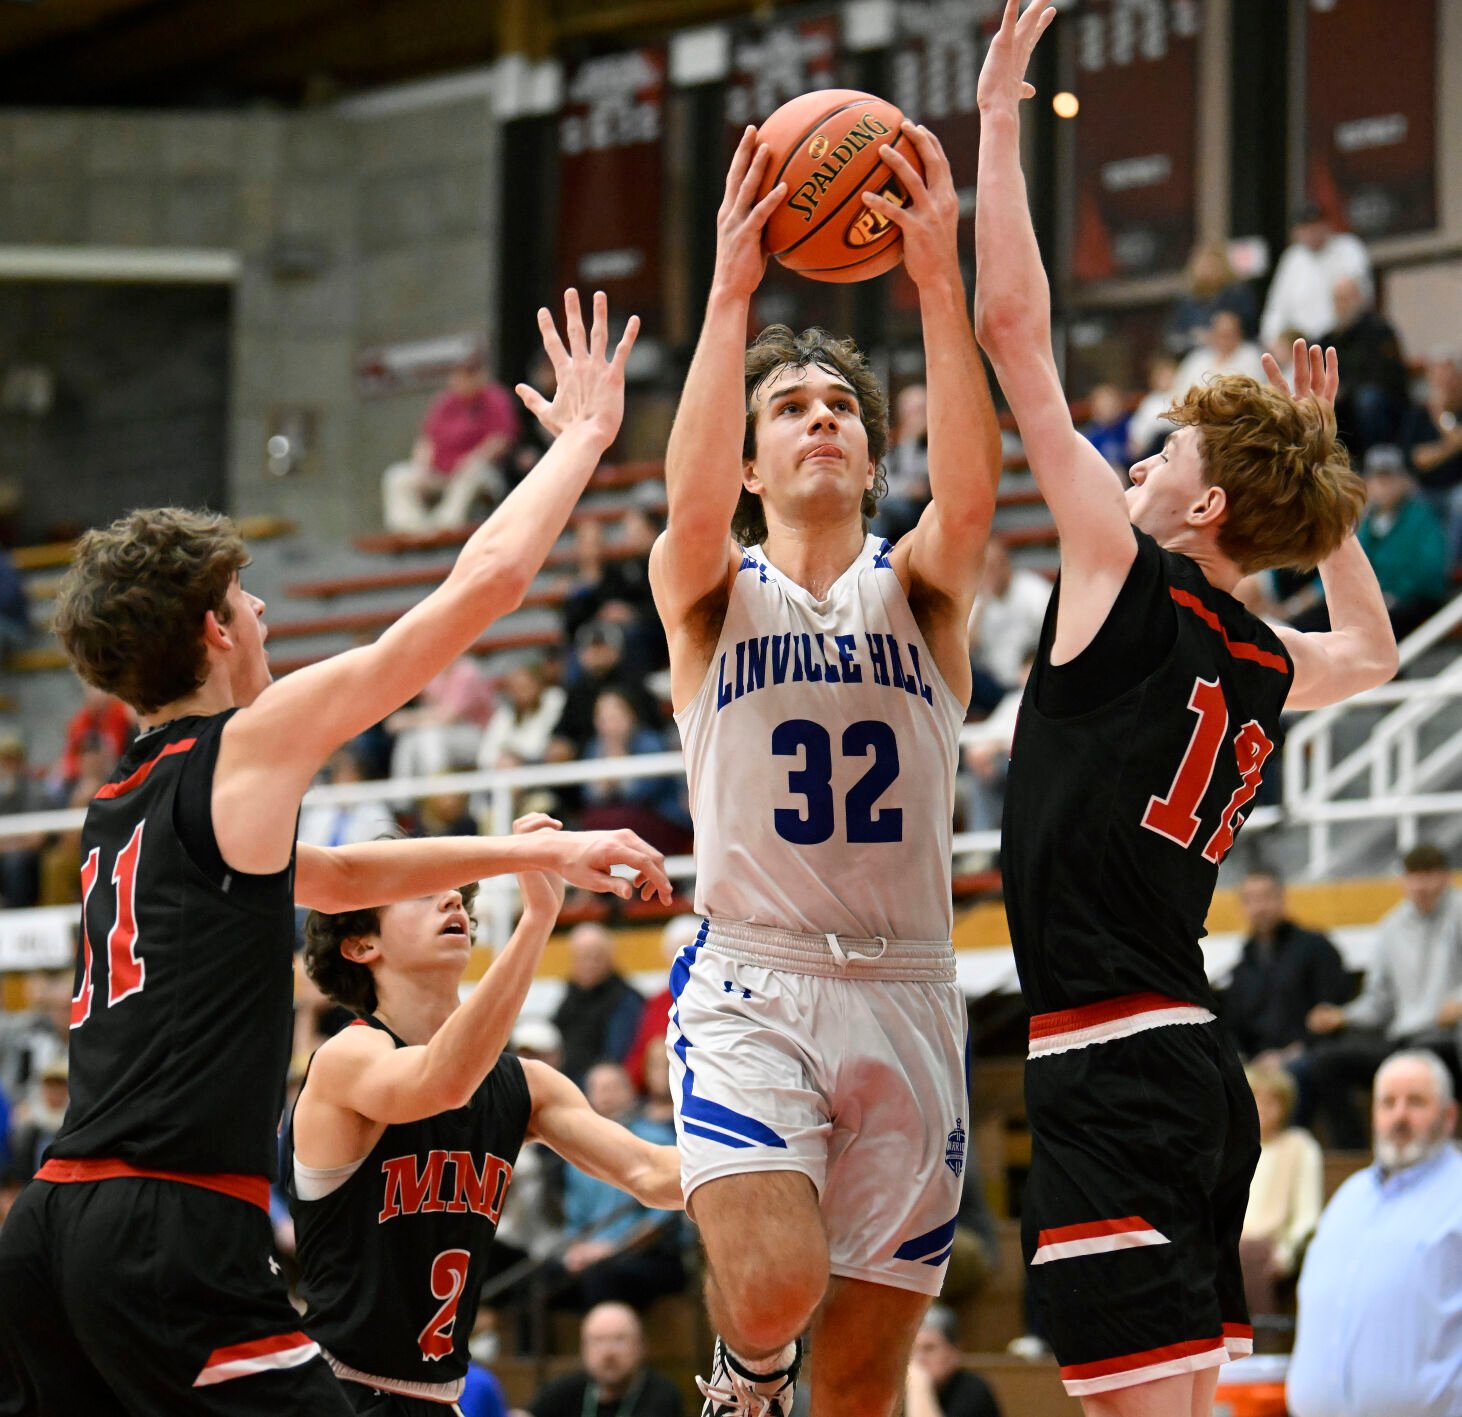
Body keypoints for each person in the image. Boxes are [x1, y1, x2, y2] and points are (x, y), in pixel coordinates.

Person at [0, 290, 674, 1415]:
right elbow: (481, 590)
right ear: (215, 628)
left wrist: (520, 854)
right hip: (171, 1228)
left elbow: (341, 879)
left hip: (53, 1226)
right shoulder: (244, 747)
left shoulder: (120, 801)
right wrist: (589, 443)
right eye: (245, 599)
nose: (262, 607)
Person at [975, 4, 1397, 1410]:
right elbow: (1377, 652)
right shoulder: (1267, 655)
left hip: (1109, 1064)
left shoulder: (1122, 576)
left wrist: (995, 115)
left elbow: (1009, 329)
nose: (1135, 457)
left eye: (1161, 449)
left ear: (1199, 504)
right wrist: (1323, 484)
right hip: (1194, 1064)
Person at [650, 114, 1003, 1416]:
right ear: (749, 463)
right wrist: (733, 292)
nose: (820, 420)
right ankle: (744, 1379)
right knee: (773, 1289)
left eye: (841, 407)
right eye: (790, 409)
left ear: (869, 454)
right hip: (754, 980)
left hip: (910, 993)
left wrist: (931, 279)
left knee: (863, 1383)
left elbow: (968, 503)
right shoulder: (707, 595)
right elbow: (683, 511)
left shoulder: (915, 593)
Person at [285, 814, 682, 1411]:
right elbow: (439, 1081)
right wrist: (538, 922)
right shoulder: (349, 1056)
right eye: (422, 893)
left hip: (438, 1397)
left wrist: (798, 1156)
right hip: (335, 1392)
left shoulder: (525, 1084)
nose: (453, 897)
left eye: (460, 898)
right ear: (363, 943)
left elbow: (652, 1175)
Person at [1285, 1050, 1462, 1417]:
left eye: (1416, 1102)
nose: (1399, 1116)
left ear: (1449, 1116)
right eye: (1388, 1102)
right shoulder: (1350, 1195)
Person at [1302, 843, 1462, 1148]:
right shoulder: (1391, 927)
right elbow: (1380, 1003)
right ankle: (1354, 1154)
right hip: (1405, 1040)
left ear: (1445, 877)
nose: (1422, 885)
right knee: (1325, 1063)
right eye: (1415, 876)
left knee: (1431, 1051)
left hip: (1449, 1040)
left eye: (1430, 875)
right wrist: (1341, 1015)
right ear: (1403, 880)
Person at [382, 354, 523, 534]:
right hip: (440, 473)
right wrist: (422, 467)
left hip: (482, 474)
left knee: (472, 470)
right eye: (461, 375)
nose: (464, 380)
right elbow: (427, 440)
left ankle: (445, 526)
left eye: (470, 374)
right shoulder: (445, 402)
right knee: (397, 476)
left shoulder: (495, 398)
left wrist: (473, 458)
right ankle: (410, 528)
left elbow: (501, 439)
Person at [1219, 869, 1349, 1064]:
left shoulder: (1316, 948)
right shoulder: (1243, 966)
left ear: (1282, 898)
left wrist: (1294, 1052)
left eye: (1266, 897)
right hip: (1258, 1063)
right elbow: (1235, 1026)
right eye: (1250, 900)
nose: (1259, 907)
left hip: (1309, 1056)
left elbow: (1331, 1014)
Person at [1237, 1064, 1322, 1319]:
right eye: (1256, 1100)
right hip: (1230, 1247)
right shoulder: (1231, 1147)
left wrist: (1286, 1252)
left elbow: (1308, 1215)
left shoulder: (1300, 1146)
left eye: (1271, 1102)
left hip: (1270, 1250)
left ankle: (1260, 1348)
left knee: (1251, 1255)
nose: (1262, 1110)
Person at [521, 1302, 683, 1417]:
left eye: (619, 1340)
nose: (608, 1352)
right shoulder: (569, 1389)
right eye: (598, 1341)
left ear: (641, 1346)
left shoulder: (661, 1395)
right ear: (583, 1348)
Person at [1259, 201, 1372, 348]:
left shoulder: (1348, 247)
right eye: (1305, 227)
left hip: (1342, 341)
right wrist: (1272, 341)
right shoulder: (1292, 258)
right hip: (1300, 345)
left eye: (1315, 225)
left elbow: (1361, 295)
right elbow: (1276, 308)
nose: (1311, 232)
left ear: (1327, 225)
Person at [1319, 277, 1409, 457]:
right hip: (1344, 402)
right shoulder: (1327, 339)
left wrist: (1346, 390)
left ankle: (1380, 455)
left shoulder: (1379, 330)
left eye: (1345, 298)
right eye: (1337, 299)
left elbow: (1387, 374)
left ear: (1359, 298)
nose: (1341, 305)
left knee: (1368, 399)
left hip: (1381, 403)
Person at [903, 1305, 1001, 1417]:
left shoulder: (973, 1391)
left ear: (955, 1352)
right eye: (911, 1350)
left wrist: (919, 1386)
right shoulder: (897, 1391)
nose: (918, 1359)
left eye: (929, 1348)